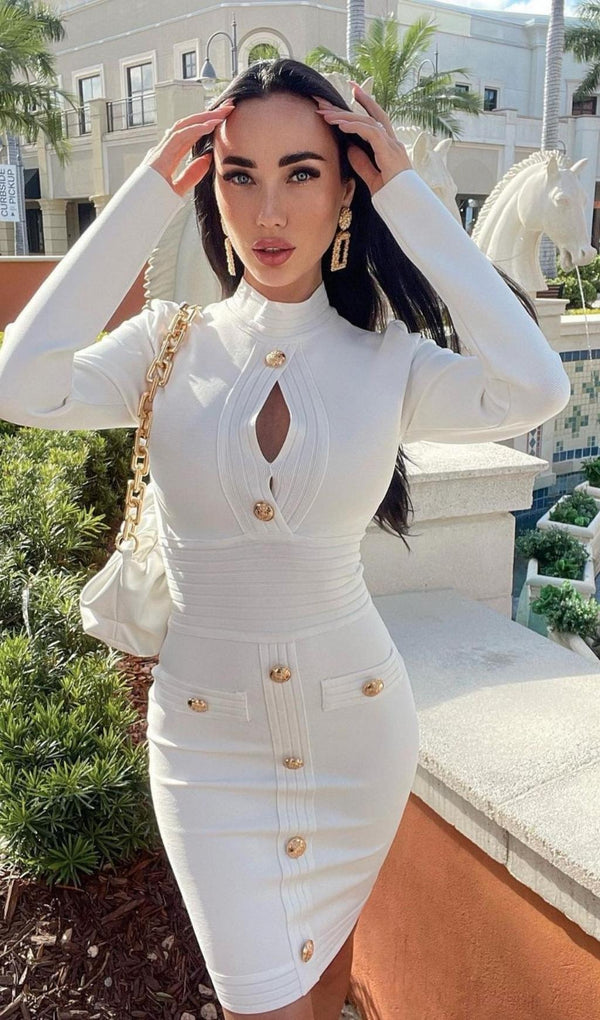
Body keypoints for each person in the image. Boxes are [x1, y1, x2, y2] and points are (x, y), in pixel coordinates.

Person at [0, 57, 570, 1020]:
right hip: (205, 743)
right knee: (260, 1000)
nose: (268, 211)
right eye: (239, 174)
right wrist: (148, 193)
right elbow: (20, 383)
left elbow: (536, 387)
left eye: (302, 172)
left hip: (359, 726)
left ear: (348, 189)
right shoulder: (164, 344)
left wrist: (410, 196)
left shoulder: (388, 362)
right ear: (208, 185)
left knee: (323, 983)